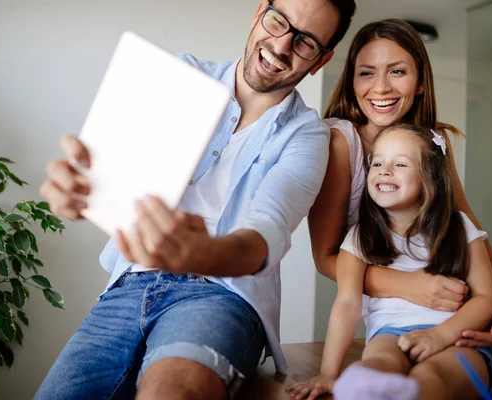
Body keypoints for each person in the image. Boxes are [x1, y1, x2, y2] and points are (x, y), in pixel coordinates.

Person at [35, 0, 356, 399]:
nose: (281, 45)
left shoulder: (307, 135)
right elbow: (113, 169)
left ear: (321, 60)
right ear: (259, 13)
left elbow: (266, 234)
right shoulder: (182, 76)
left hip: (223, 295)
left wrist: (203, 252)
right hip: (128, 285)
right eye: (278, 22)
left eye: (305, 41)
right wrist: (80, 189)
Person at [308, 18, 492, 351]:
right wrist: (410, 286)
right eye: (366, 72)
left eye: (397, 71)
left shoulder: (436, 142)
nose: (380, 88)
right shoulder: (339, 143)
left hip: (458, 307)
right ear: (351, 81)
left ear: (420, 82)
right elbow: (325, 258)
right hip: (392, 313)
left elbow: (468, 223)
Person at [286, 124, 492, 400]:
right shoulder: (359, 237)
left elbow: (487, 298)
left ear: (430, 178)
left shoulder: (459, 227)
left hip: (459, 338)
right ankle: (363, 387)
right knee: (378, 365)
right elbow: (347, 305)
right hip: (390, 335)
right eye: (377, 163)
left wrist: (441, 336)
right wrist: (329, 373)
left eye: (400, 164)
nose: (384, 170)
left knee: (431, 376)